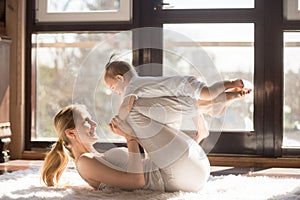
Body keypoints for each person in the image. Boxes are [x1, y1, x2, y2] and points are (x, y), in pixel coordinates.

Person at [41, 104, 210, 192]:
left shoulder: (93, 157)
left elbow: (146, 166)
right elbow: (136, 181)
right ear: (71, 133)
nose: (94, 124)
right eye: (86, 121)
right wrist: (130, 138)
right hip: (176, 176)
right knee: (134, 111)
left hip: (188, 172)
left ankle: (198, 133)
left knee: (144, 114)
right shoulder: (84, 162)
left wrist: (132, 137)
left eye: (91, 119)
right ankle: (192, 100)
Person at [104, 59, 252, 143]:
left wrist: (118, 120)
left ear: (120, 78)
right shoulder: (138, 83)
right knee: (200, 105)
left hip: (184, 86)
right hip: (183, 87)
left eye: (113, 87)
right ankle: (205, 127)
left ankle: (230, 83)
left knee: (208, 93)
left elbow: (126, 105)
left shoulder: (132, 86)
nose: (115, 91)